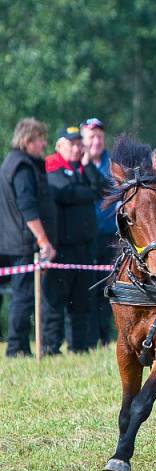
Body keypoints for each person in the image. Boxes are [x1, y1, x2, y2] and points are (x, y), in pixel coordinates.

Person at [41, 126, 104, 354]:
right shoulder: (51, 167)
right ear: (60, 146)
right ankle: (50, 347)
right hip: (62, 248)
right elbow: (62, 193)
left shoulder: (82, 169)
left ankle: (79, 346)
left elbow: (102, 188)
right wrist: (87, 192)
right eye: (72, 144)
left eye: (79, 144)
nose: (78, 148)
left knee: (82, 300)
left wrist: (87, 167)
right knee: (55, 301)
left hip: (85, 247)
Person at [0, 118, 57, 357]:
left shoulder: (10, 162)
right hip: (21, 242)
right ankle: (16, 347)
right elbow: (27, 207)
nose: (44, 143)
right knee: (23, 297)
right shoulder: (22, 166)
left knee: (19, 296)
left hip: (9, 239)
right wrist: (44, 241)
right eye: (40, 139)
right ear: (27, 140)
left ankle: (18, 344)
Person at [81, 117, 115, 346]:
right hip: (82, 238)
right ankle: (86, 339)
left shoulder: (112, 164)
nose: (96, 141)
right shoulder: (74, 165)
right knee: (84, 290)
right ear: (83, 140)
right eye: (92, 136)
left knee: (106, 289)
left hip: (109, 235)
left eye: (100, 137)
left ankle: (105, 337)